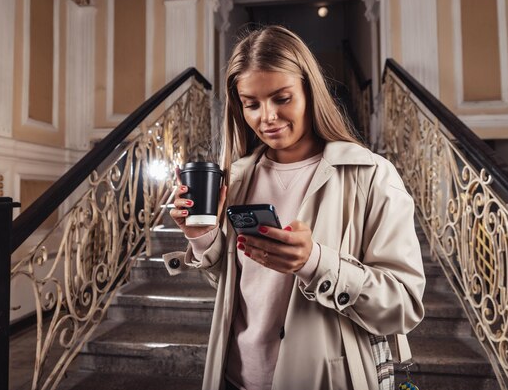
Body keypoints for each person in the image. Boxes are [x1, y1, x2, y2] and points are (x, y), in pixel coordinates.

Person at [163, 25, 425, 390]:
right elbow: (239, 287)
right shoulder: (237, 178)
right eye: (251, 104)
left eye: (281, 98)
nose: (266, 117)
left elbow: (403, 304)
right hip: (237, 377)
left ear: (310, 91)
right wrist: (203, 238)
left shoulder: (370, 175)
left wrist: (316, 263)